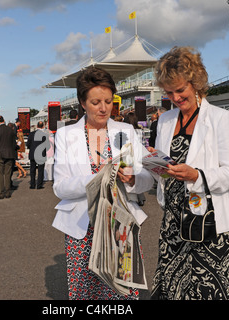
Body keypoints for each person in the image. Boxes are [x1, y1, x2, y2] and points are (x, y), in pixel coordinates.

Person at [148, 46, 229, 300]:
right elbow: (163, 174)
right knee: (171, 290)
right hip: (172, 224)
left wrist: (197, 176)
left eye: (181, 90)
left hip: (208, 225)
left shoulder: (222, 119)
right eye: (169, 92)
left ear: (196, 82)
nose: (176, 98)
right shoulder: (166, 120)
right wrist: (152, 166)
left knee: (207, 292)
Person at [52, 66, 153, 300]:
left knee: (122, 292)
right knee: (85, 293)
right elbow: (60, 187)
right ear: (82, 102)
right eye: (96, 101)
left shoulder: (126, 131)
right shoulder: (66, 135)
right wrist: (98, 178)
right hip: (82, 228)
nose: (104, 108)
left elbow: (147, 178)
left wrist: (133, 180)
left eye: (108, 101)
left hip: (120, 225)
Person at [0, 116, 17, 199]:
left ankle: (1, 193)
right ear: (4, 120)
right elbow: (14, 143)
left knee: (0, 174)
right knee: (8, 174)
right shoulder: (10, 130)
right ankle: (8, 192)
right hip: (10, 154)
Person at [27, 121, 49, 189]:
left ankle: (32, 185)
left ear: (37, 126)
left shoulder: (31, 134)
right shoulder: (44, 135)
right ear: (43, 126)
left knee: (32, 170)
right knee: (40, 170)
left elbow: (28, 144)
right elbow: (47, 146)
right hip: (41, 154)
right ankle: (39, 185)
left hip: (33, 153)